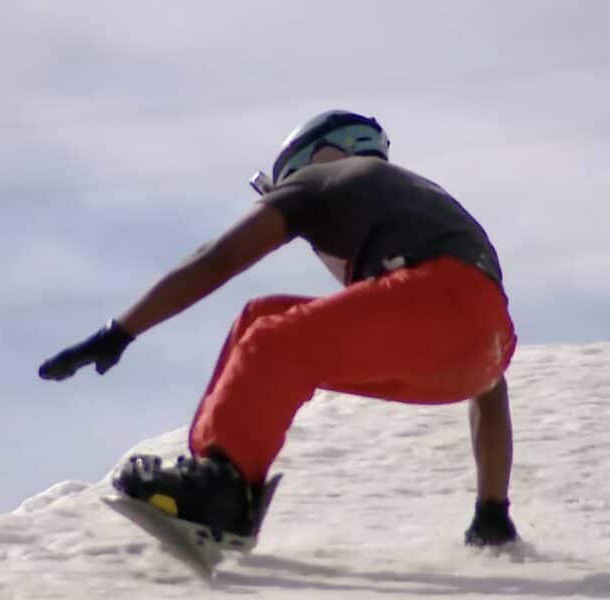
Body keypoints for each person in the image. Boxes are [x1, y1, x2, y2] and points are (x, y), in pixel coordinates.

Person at [39, 109, 519, 547]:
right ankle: (221, 477)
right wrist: (491, 509)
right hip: (482, 347)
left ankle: (220, 491)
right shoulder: (409, 201)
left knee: (275, 340)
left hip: (435, 303)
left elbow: (217, 259)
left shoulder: (317, 180)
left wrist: (119, 331)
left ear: (314, 157)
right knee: (263, 317)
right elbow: (486, 376)